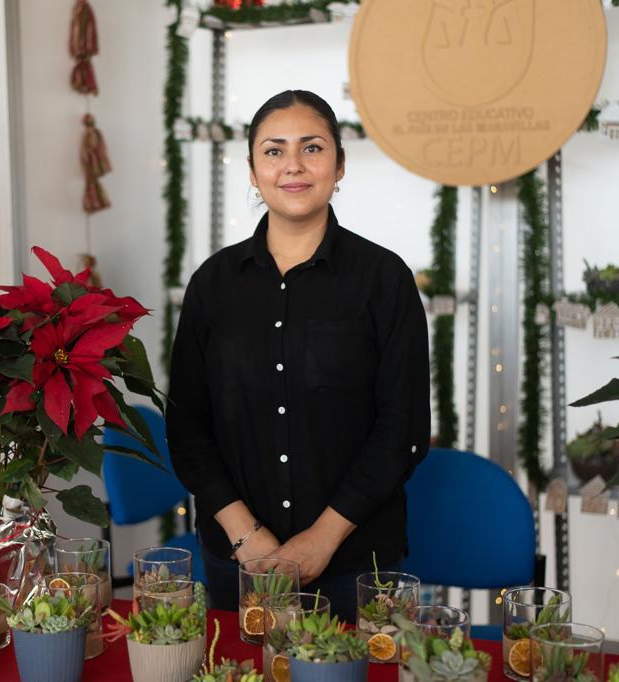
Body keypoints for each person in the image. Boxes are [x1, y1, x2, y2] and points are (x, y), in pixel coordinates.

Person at [166, 90, 431, 620]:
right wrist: (246, 535)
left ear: (339, 165)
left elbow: (402, 429)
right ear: (252, 170)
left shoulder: (384, 280)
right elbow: (187, 425)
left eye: (312, 148)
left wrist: (323, 537)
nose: (293, 165)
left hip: (357, 564)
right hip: (238, 560)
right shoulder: (213, 284)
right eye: (273, 151)